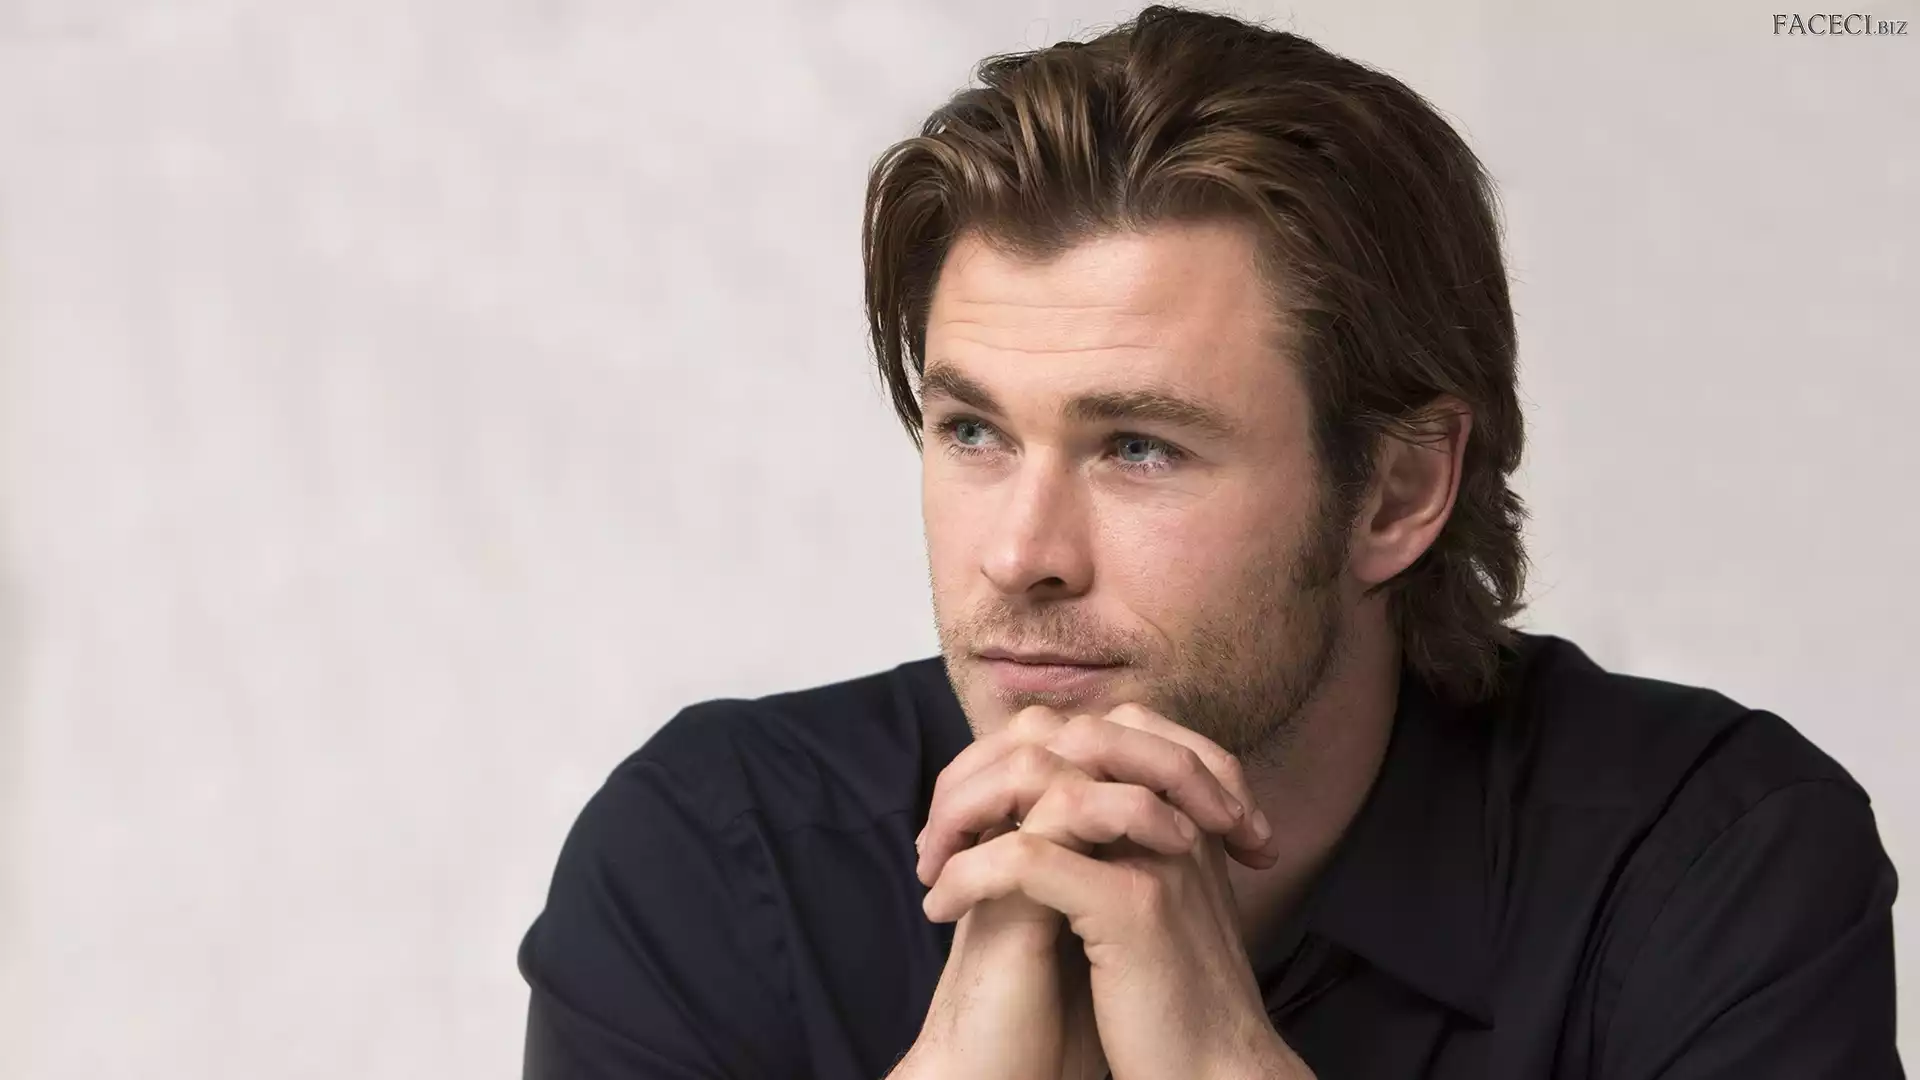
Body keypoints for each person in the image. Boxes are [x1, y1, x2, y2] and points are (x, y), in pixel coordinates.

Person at [516, 6, 1902, 1078]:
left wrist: (1222, 1060)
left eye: (1139, 448)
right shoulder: (718, 860)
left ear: (1397, 493)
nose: (1019, 556)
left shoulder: (1710, 867)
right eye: (974, 431)